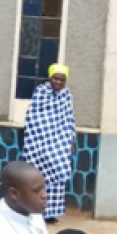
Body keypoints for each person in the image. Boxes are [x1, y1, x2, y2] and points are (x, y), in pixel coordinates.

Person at [21, 64, 76, 224]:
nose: (58, 82)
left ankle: (50, 212)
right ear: (50, 78)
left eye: (62, 80)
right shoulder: (41, 91)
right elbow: (34, 117)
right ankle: (34, 211)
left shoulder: (67, 95)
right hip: (39, 141)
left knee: (57, 175)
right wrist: (43, 138)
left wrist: (70, 140)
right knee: (37, 177)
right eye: (55, 78)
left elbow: (69, 118)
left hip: (59, 142)